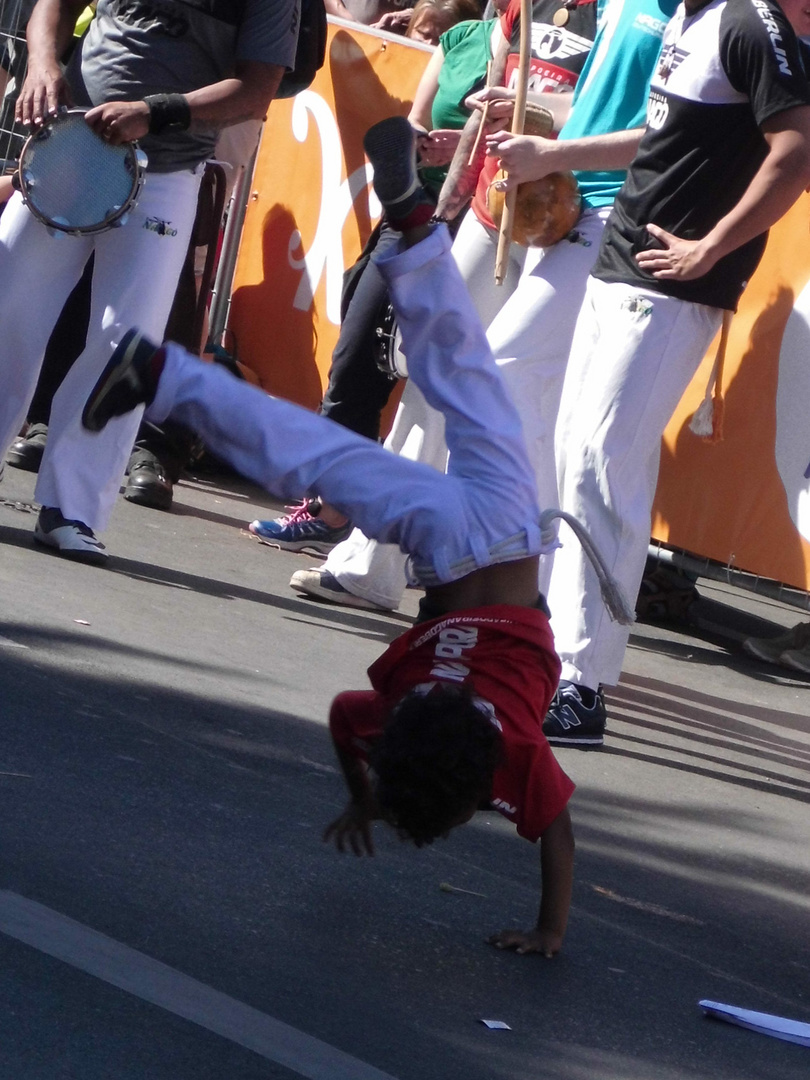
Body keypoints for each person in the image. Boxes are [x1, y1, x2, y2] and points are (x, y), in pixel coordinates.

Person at [82, 119, 636, 954]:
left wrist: (552, 929)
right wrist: (361, 794)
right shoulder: (419, 721)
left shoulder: (512, 749)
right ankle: (162, 375)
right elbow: (350, 721)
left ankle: (414, 224)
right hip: (449, 547)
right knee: (329, 459)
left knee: (463, 369)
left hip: (510, 526)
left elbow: (558, 836)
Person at [540, 0, 810, 744]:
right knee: (579, 462)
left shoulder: (750, 24)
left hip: (671, 288)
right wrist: (555, 155)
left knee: (603, 465)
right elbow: (659, 136)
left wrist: (713, 248)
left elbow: (794, 152)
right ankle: (561, 655)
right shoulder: (685, 22)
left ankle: (582, 681)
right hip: (618, 264)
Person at [0, 0, 299, 563]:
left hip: (165, 172)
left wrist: (155, 111)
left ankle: (72, 509)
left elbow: (255, 90)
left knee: (125, 344)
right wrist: (43, 64)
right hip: (67, 147)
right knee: (8, 307)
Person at [248, 0, 489, 552]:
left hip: (485, 226)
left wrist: (471, 151)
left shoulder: (558, 52)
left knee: (441, 396)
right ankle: (333, 508)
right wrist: (423, 141)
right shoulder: (463, 40)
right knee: (356, 359)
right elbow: (412, 121)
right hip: (414, 212)